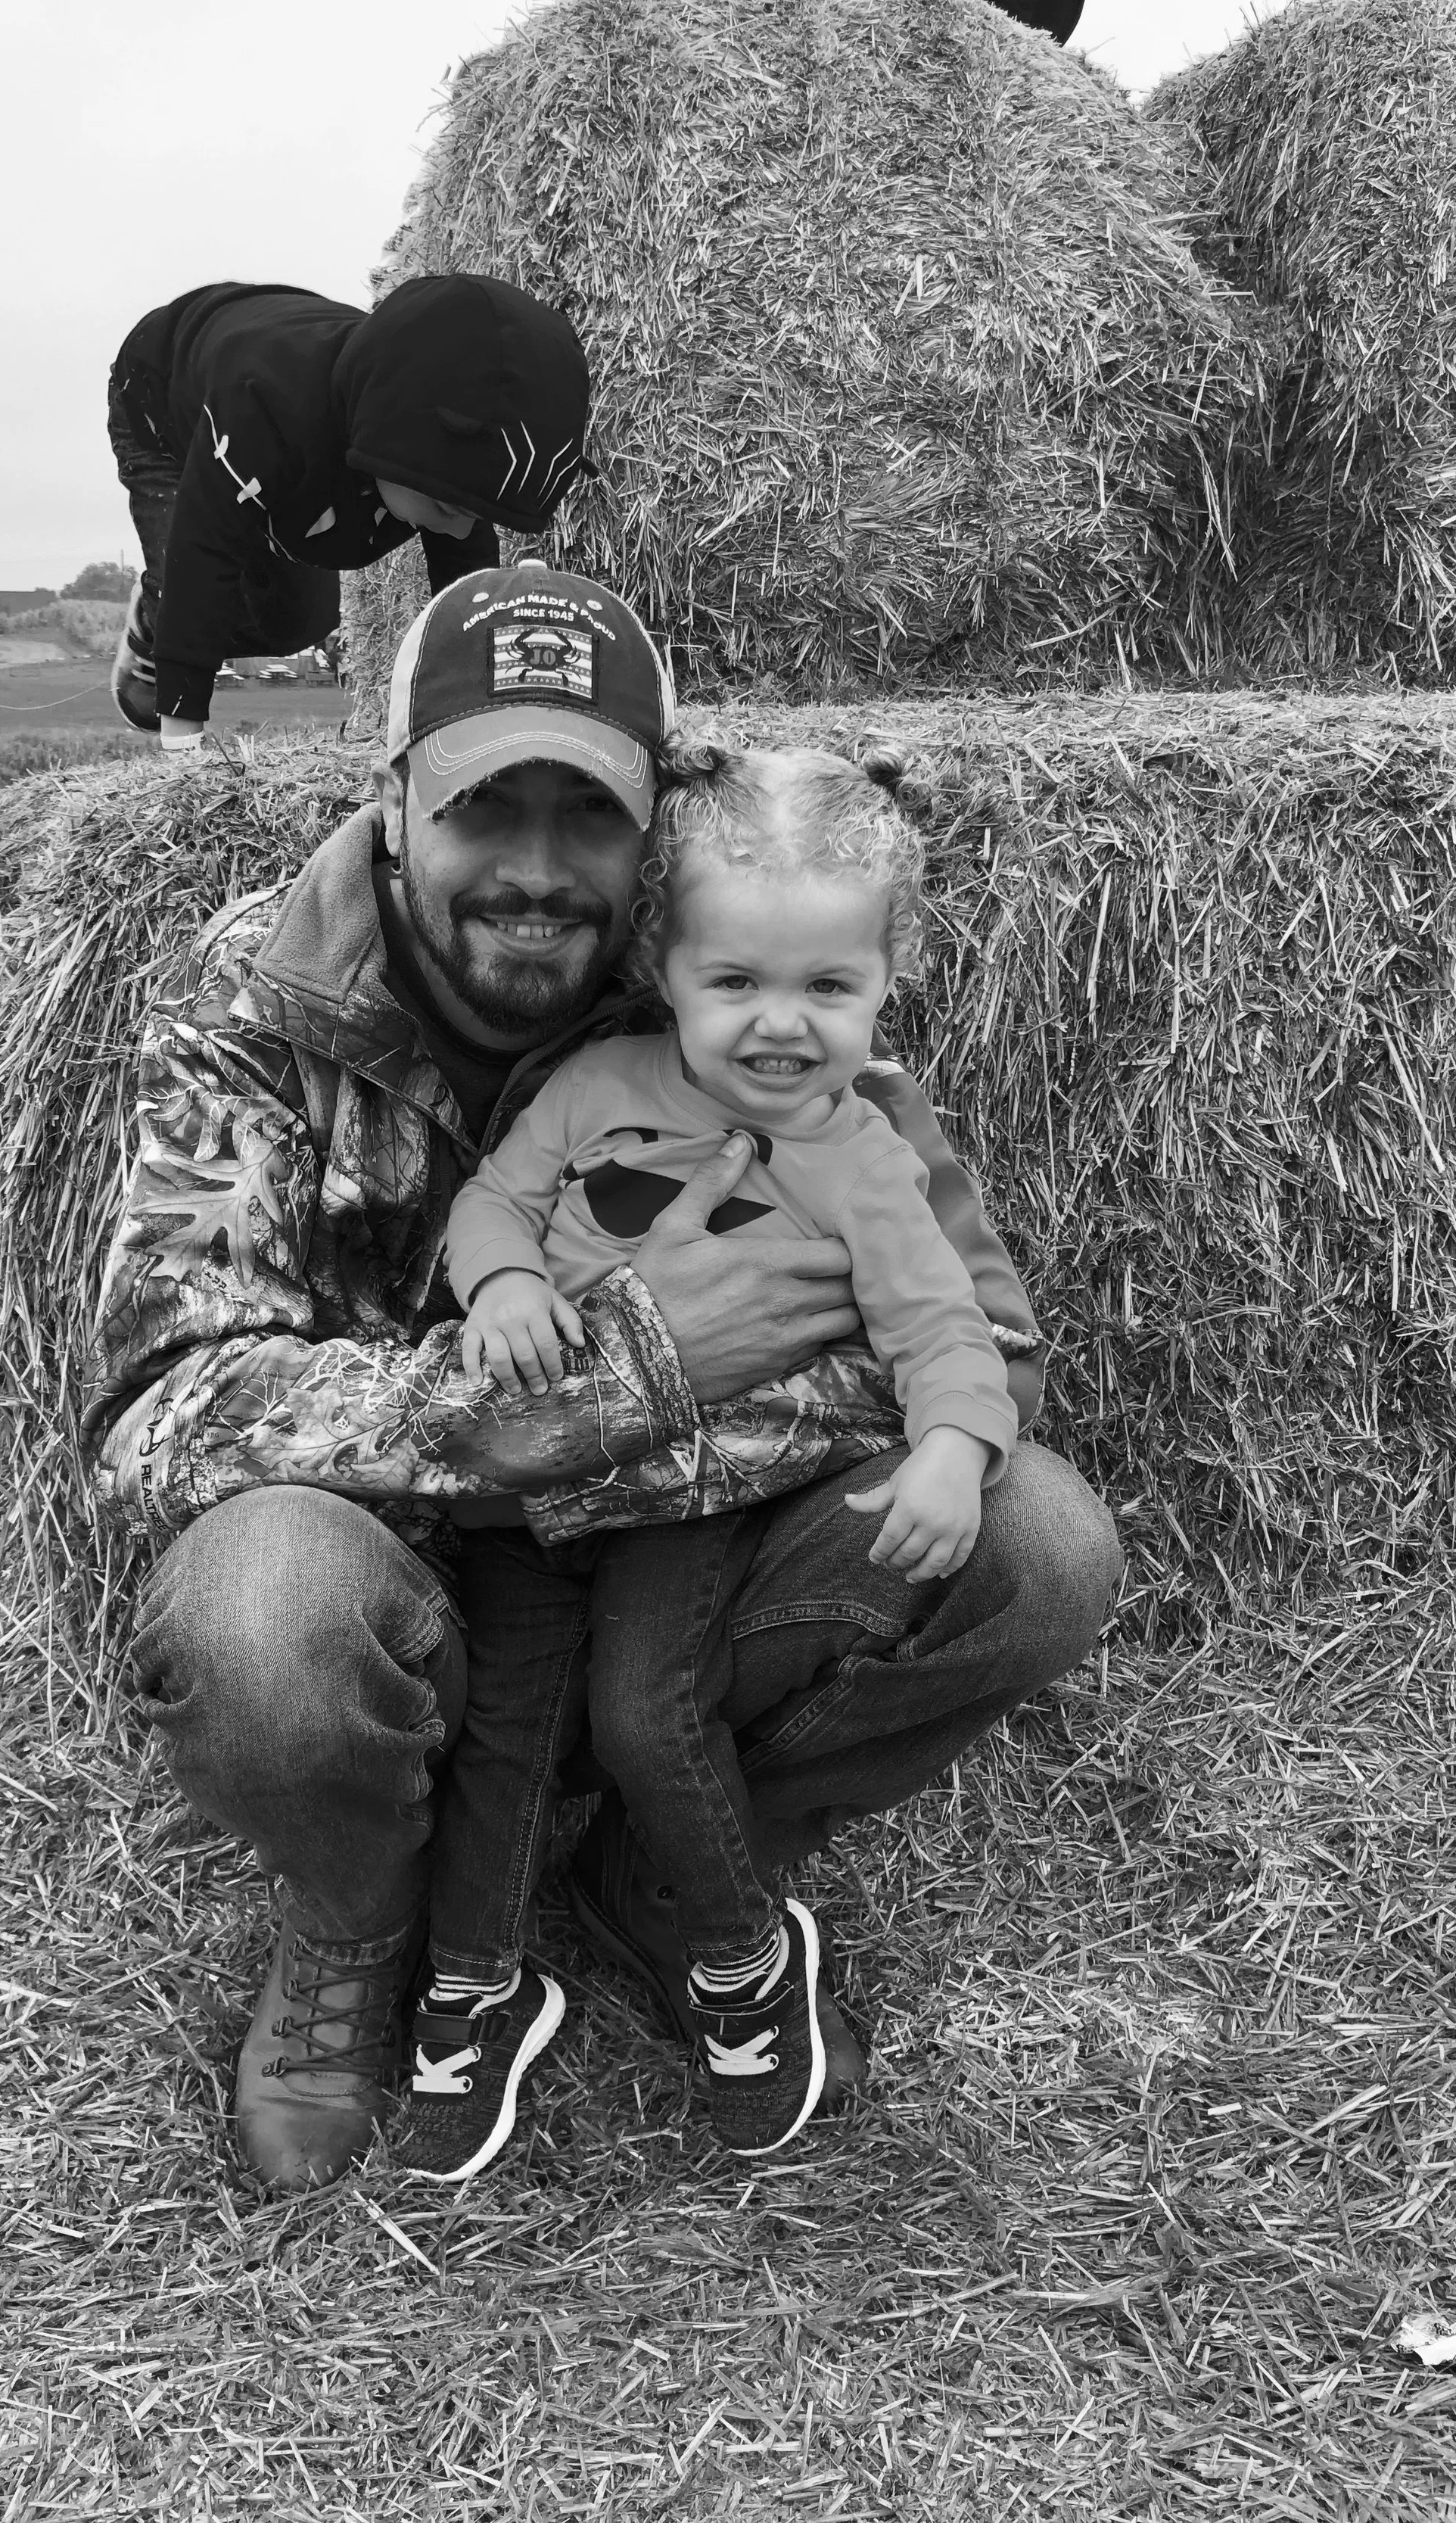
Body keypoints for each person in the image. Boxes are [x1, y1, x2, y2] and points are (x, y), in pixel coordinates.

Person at [85, 558, 1122, 2194]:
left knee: (1037, 1543)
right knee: (257, 1611)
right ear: (393, 795)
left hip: (667, 1579)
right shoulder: (251, 1012)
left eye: (590, 819)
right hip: (400, 1591)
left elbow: (978, 1339)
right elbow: (161, 1416)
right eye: (490, 807)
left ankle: (674, 1863)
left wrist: (669, 1417)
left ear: (655, 835)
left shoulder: (732, 972)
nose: (539, 870)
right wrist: (612, 1387)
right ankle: (364, 1928)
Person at [394, 746, 1025, 2180]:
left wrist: (951, 1447)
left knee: (643, 1712)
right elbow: (495, 1199)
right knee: (499, 1726)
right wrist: (500, 1289)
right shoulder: (593, 1080)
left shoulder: (864, 1160)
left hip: (688, 1501)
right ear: (664, 969)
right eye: (736, 982)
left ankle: (740, 1951)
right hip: (537, 1485)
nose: (781, 1025)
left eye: (828, 988)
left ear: (886, 985)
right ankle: (475, 1989)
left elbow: (948, 1325)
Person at [104, 276, 593, 752]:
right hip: (161, 404)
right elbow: (202, 554)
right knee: (186, 585)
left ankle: (197, 598)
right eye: (448, 507)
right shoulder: (262, 406)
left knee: (301, 622)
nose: (462, 527)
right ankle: (155, 618)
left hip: (293, 421)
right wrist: (183, 748)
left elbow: (467, 590)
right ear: (392, 438)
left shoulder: (440, 446)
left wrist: (485, 711)